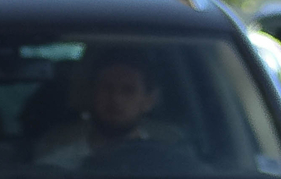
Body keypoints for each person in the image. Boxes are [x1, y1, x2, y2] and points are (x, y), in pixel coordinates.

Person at [36, 51, 182, 168]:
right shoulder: (56, 166)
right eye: (106, 88)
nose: (115, 99)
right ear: (92, 93)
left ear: (149, 101)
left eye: (128, 90)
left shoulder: (169, 164)